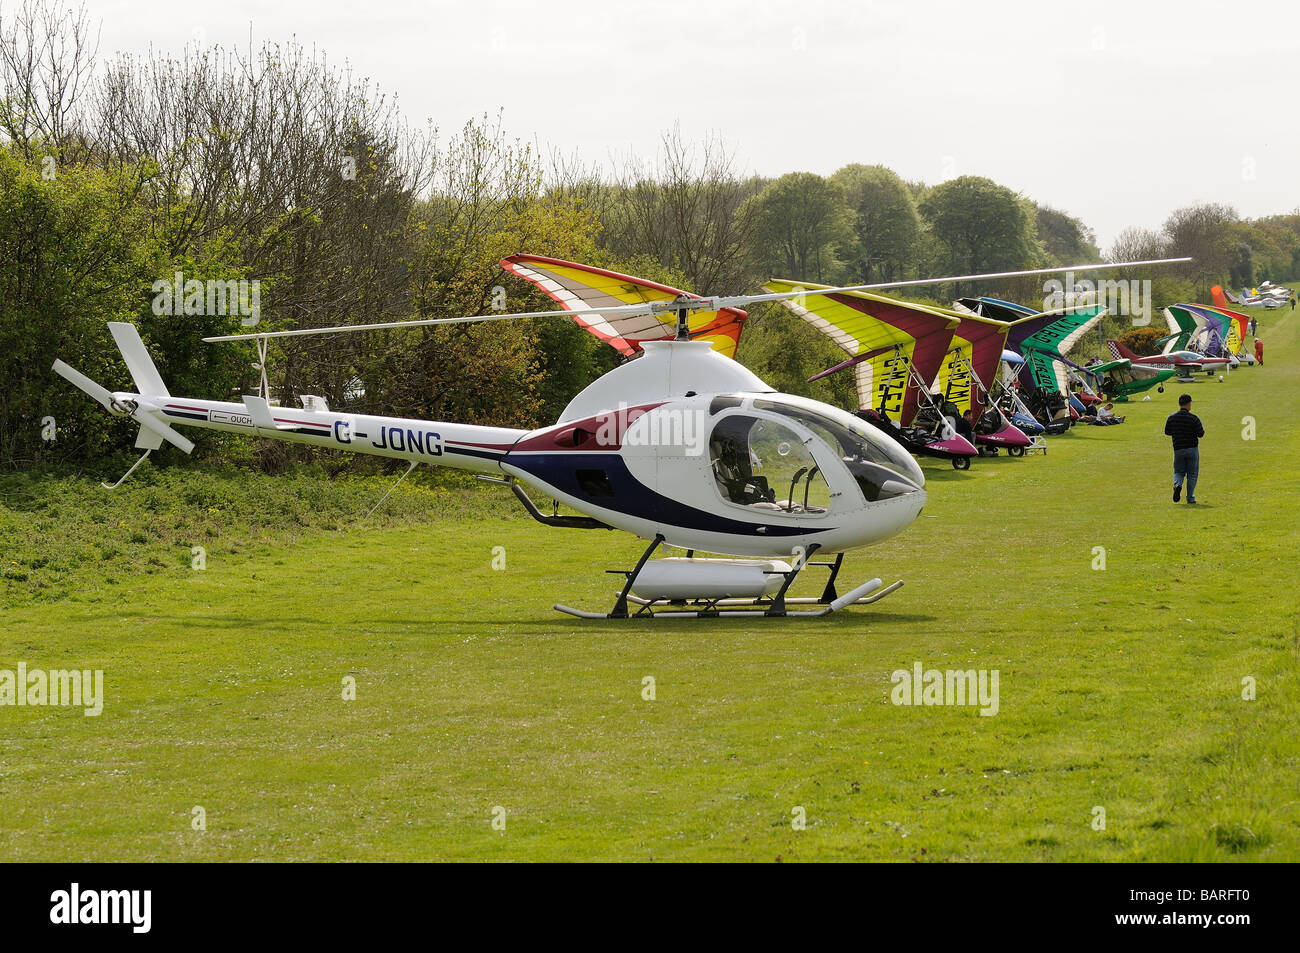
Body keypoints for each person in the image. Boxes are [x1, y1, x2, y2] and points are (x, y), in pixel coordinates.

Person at [1164, 394, 1204, 504]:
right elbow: (1201, 434)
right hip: (1192, 449)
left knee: (1178, 471)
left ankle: (1177, 485)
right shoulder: (1194, 418)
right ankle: (1190, 497)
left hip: (1178, 449)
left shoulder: (1171, 417)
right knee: (1192, 474)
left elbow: (1167, 432)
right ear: (1189, 404)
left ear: (1179, 404)